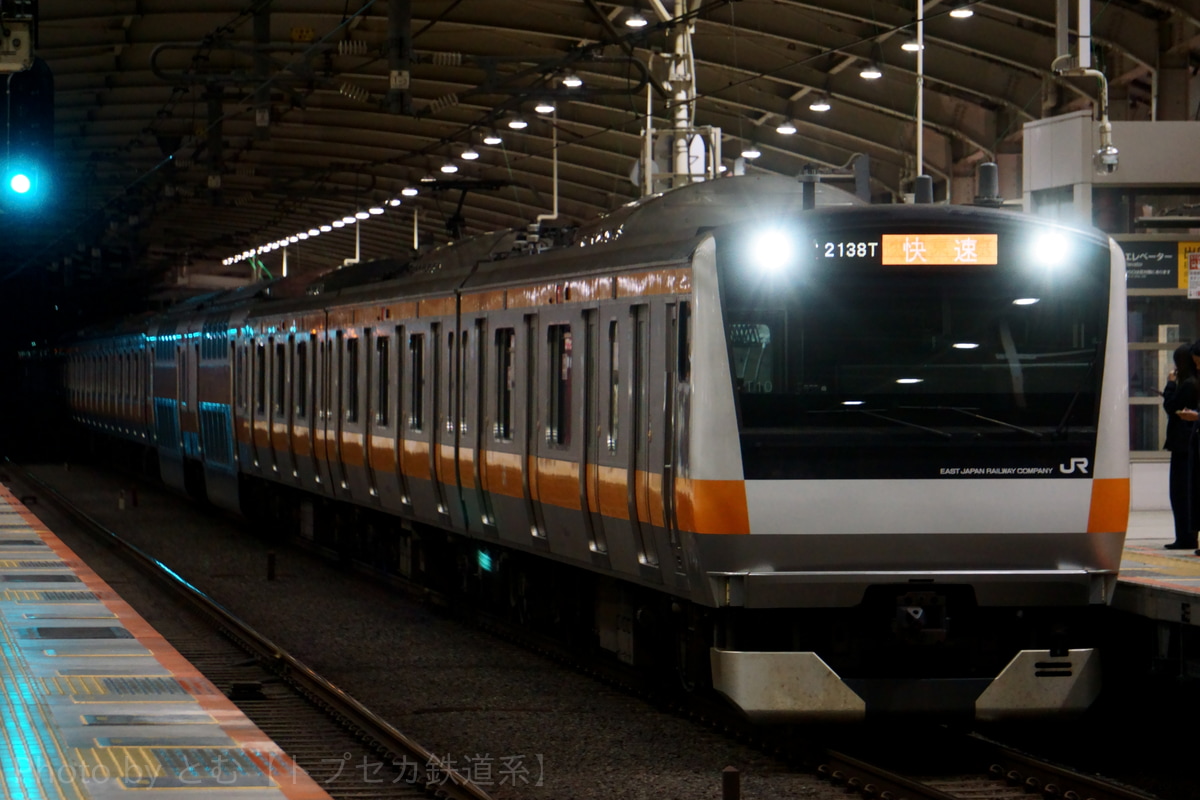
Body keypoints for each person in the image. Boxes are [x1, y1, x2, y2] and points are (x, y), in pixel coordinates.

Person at [1163, 343, 1199, 549]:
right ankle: (1187, 536)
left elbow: (1171, 406)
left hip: (1182, 445)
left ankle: (1185, 538)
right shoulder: (1193, 383)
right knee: (1186, 492)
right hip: (1187, 443)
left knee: (1180, 493)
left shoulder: (1187, 384)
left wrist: (1169, 384)